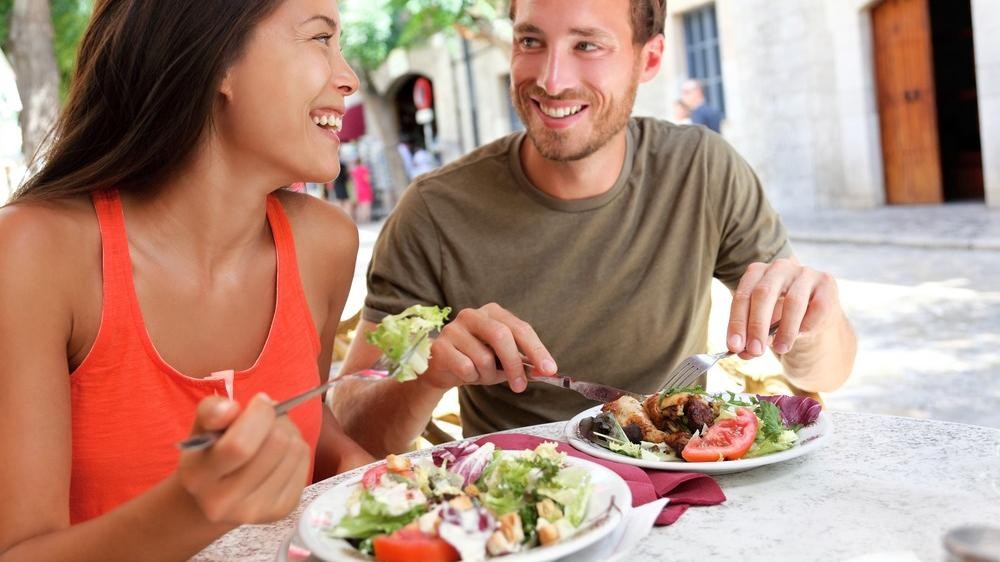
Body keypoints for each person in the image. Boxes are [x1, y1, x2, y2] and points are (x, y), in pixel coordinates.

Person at [332, 0, 857, 457]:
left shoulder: (702, 170)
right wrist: (429, 373)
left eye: (587, 45)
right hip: (518, 517)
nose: (551, 79)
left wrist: (812, 324)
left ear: (648, 58)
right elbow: (352, 427)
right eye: (530, 40)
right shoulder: (434, 210)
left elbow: (824, 375)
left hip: (681, 494)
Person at [0, 1, 374, 559]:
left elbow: (305, 418)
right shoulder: (33, 254)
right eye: (321, 39)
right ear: (217, 61)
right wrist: (191, 511)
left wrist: (344, 463)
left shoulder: (326, 244)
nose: (347, 78)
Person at [350, 157, 373, 224]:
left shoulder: (354, 171)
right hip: (366, 189)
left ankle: (362, 219)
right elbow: (367, 179)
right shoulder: (364, 169)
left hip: (359, 190)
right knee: (367, 205)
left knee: (362, 205)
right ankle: (367, 219)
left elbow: (354, 182)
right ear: (361, 162)